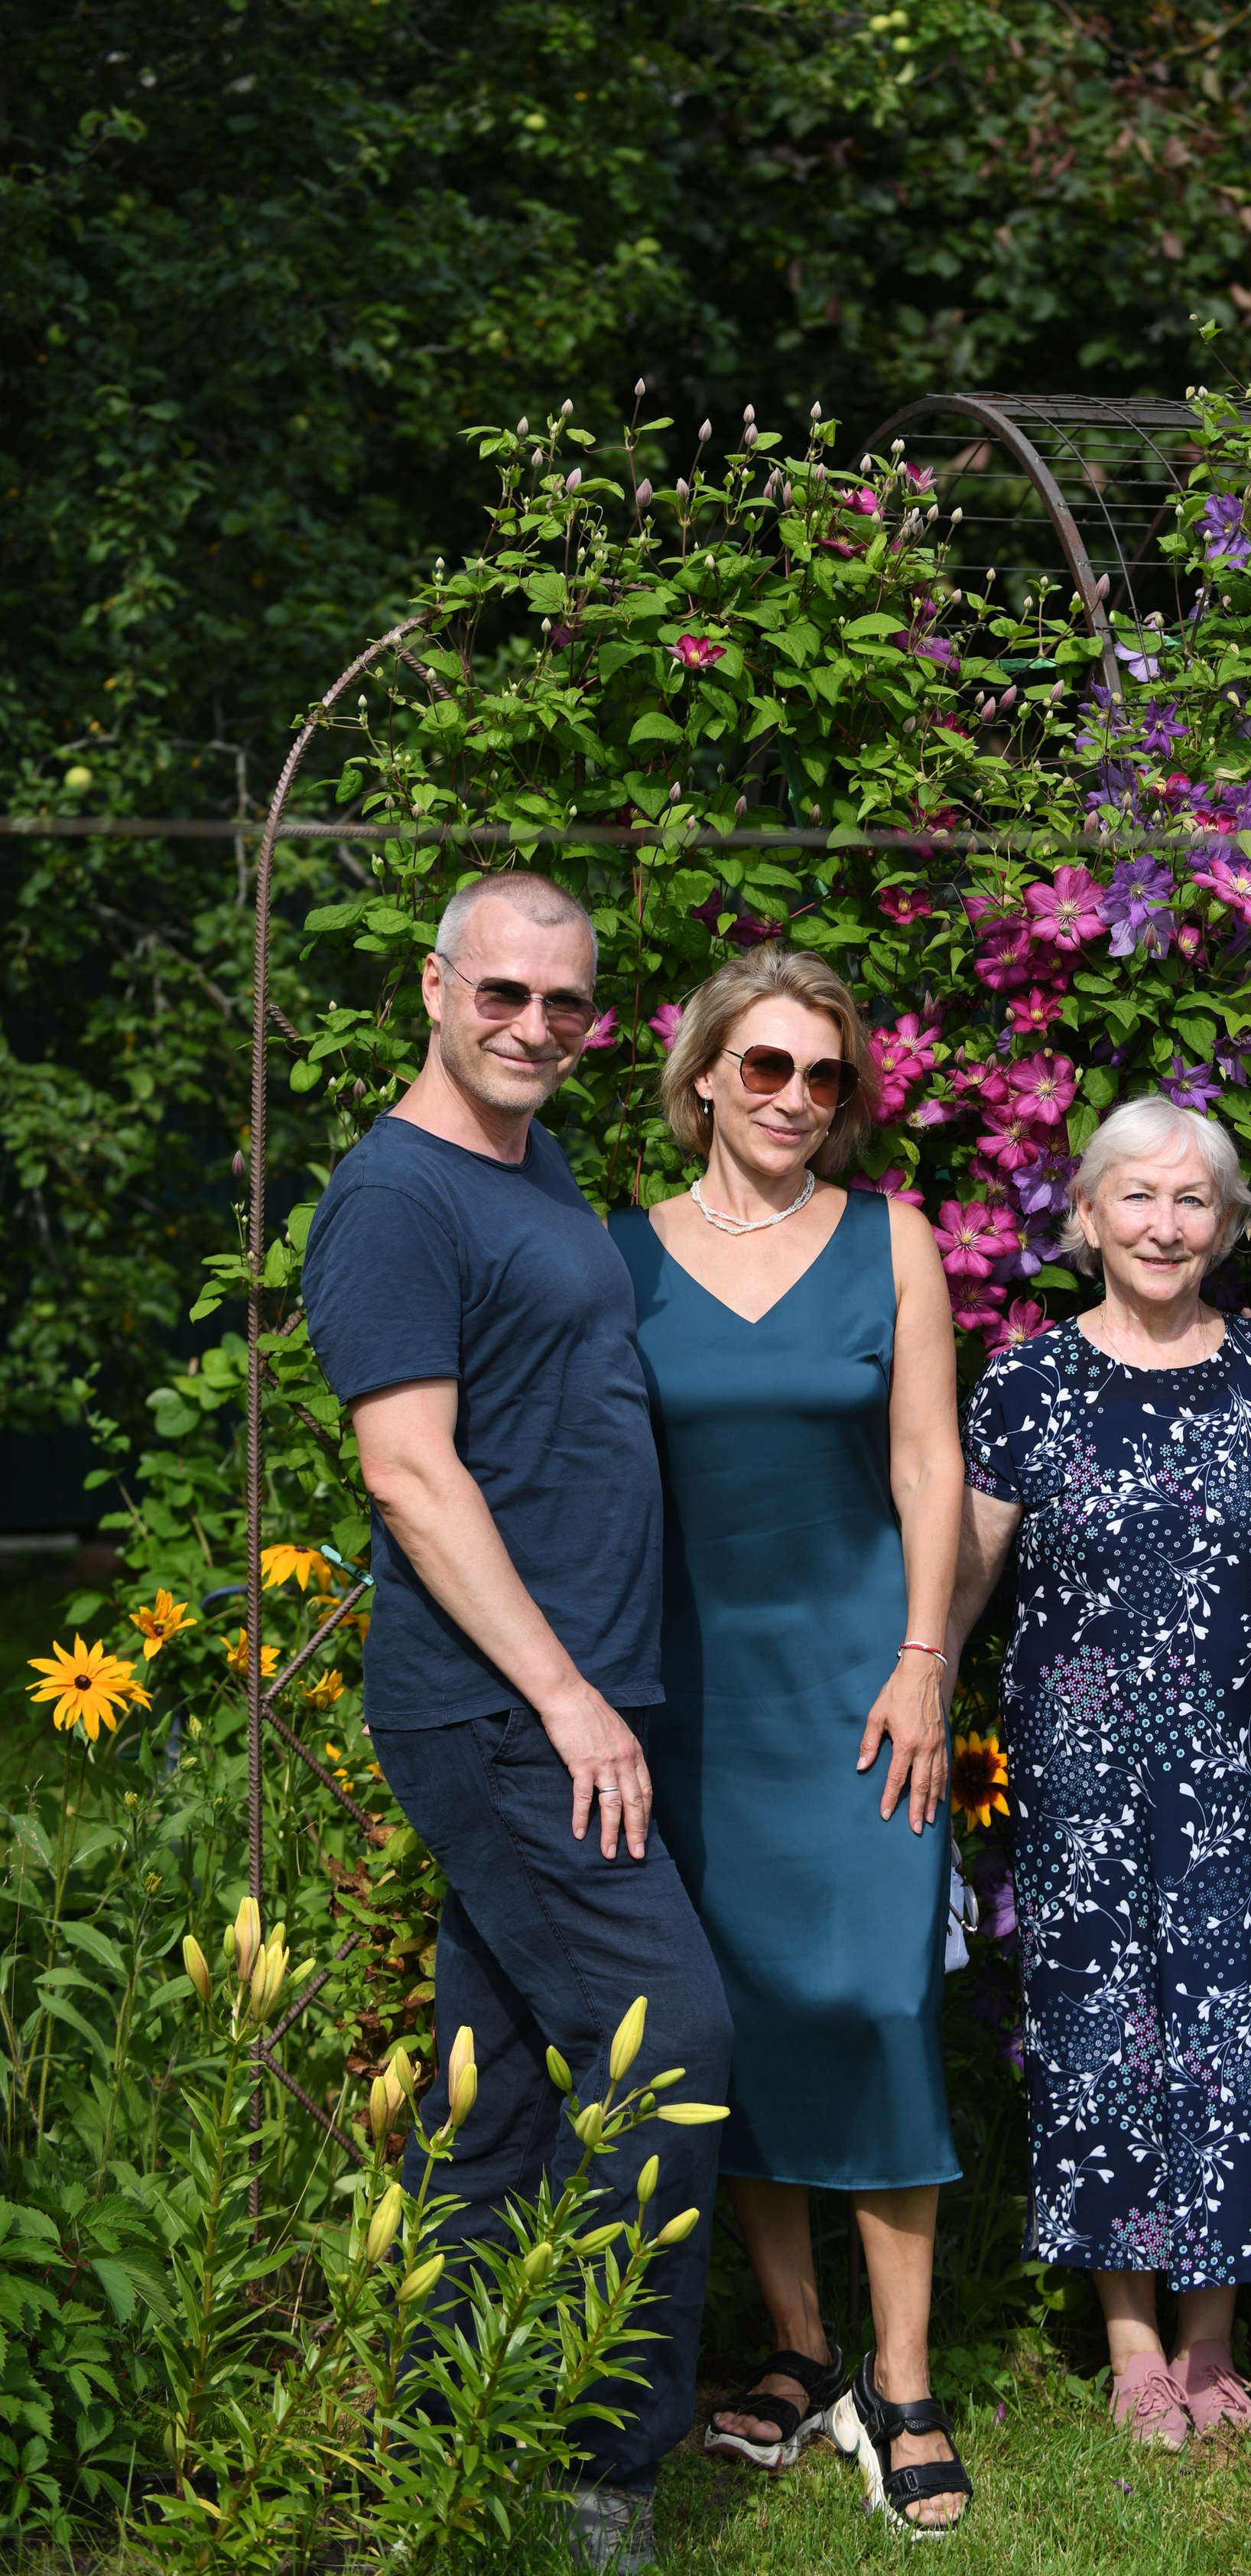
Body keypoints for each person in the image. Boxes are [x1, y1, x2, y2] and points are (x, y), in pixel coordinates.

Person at [303, 869, 733, 2576]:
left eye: (565, 1004)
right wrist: (561, 1696)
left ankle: (442, 2450)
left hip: (580, 1693)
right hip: (504, 1708)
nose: (534, 1027)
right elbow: (407, 1472)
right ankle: (597, 2467)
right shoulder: (396, 1197)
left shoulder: (530, 1160)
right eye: (502, 996)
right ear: (433, 988)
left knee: (494, 2102)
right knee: (675, 2040)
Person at [948, 1096, 1251, 2450]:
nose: (1163, 1225)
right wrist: (915, 1677)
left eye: (1192, 1201)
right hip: (1082, 1788)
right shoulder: (1024, 1385)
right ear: (1085, 1215)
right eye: (1136, 1198)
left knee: (1236, 2041)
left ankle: (1212, 2347)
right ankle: (1133, 2351)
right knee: (1102, 2039)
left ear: (1227, 1227)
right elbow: (967, 1576)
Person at [609, 945, 973, 2538]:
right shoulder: (614, 1256)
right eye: (765, 1068)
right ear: (702, 1076)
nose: (795, 1100)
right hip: (689, 1697)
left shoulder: (891, 1241)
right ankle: (798, 2349)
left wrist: (924, 1663)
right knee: (737, 2015)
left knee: (879, 2001)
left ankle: (905, 2383)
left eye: (825, 1077)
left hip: (858, 1683)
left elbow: (929, 1470)